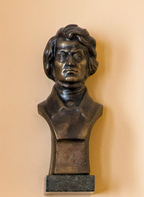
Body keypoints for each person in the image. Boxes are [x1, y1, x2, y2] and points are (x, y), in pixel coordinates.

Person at [38, 24, 103, 175]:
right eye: (62, 56)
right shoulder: (47, 109)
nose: (70, 63)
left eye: (77, 56)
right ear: (51, 64)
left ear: (89, 64)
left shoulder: (93, 110)